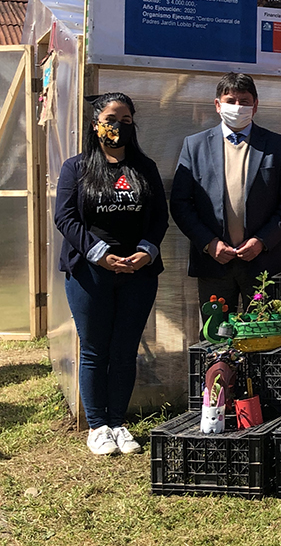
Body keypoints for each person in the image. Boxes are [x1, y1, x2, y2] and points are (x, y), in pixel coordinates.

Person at [54, 92, 168, 456]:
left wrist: (145, 252)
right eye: (111, 118)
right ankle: (97, 425)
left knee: (124, 350)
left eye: (126, 119)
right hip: (89, 273)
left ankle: (118, 423)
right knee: (94, 349)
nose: (118, 126)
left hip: (138, 273)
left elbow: (159, 218)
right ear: (95, 124)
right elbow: (65, 217)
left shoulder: (144, 168)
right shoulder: (77, 167)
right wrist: (100, 254)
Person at [171, 73, 281, 313]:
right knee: (216, 338)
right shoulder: (195, 145)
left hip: (263, 263)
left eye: (244, 101)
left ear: (255, 105)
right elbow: (181, 203)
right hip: (214, 263)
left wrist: (262, 241)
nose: (237, 107)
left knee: (266, 335)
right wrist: (208, 243)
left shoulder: (277, 145)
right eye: (231, 100)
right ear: (217, 105)